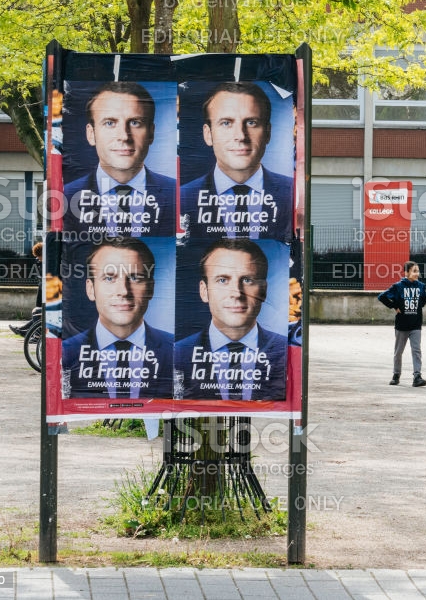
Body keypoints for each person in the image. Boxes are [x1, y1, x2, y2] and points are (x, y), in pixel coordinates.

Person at [175, 239, 287, 401]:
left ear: (263, 291)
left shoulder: (285, 351)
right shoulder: (177, 354)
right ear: (204, 291)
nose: (236, 293)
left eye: (247, 280)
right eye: (222, 280)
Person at [61, 238, 173, 399]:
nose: (124, 291)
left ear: (151, 288)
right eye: (109, 278)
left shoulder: (176, 351)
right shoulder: (66, 353)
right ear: (91, 289)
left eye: (135, 278)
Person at [180, 82, 293, 241]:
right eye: (226, 123)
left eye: (251, 122)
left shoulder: (291, 193)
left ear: (267, 133)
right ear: (208, 134)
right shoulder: (182, 198)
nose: (240, 136)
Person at [63, 81, 176, 237]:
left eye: (135, 123)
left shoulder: (178, 195)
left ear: (151, 133)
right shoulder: (64, 198)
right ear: (91, 134)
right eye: (110, 123)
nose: (124, 136)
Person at [378, 261, 426, 387]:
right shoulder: (398, 286)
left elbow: (424, 298)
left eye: (418, 271)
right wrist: (394, 306)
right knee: (398, 351)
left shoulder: (421, 286)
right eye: (414, 271)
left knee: (416, 350)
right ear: (406, 272)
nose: (417, 273)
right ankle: (396, 375)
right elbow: (382, 296)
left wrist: (417, 307)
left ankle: (417, 376)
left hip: (416, 324)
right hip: (402, 325)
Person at [10, 241, 44, 336]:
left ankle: (27, 332)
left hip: (45, 290)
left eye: (39, 256)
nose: (37, 258)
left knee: (39, 313)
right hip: (42, 289)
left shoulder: (47, 264)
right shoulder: (41, 263)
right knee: (39, 313)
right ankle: (23, 330)